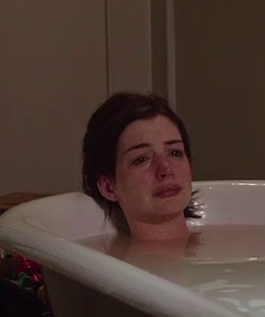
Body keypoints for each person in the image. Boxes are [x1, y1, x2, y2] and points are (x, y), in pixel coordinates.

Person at [81, 91, 201, 244]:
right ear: (108, 187)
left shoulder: (223, 243)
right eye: (141, 159)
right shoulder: (100, 257)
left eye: (175, 153)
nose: (166, 169)